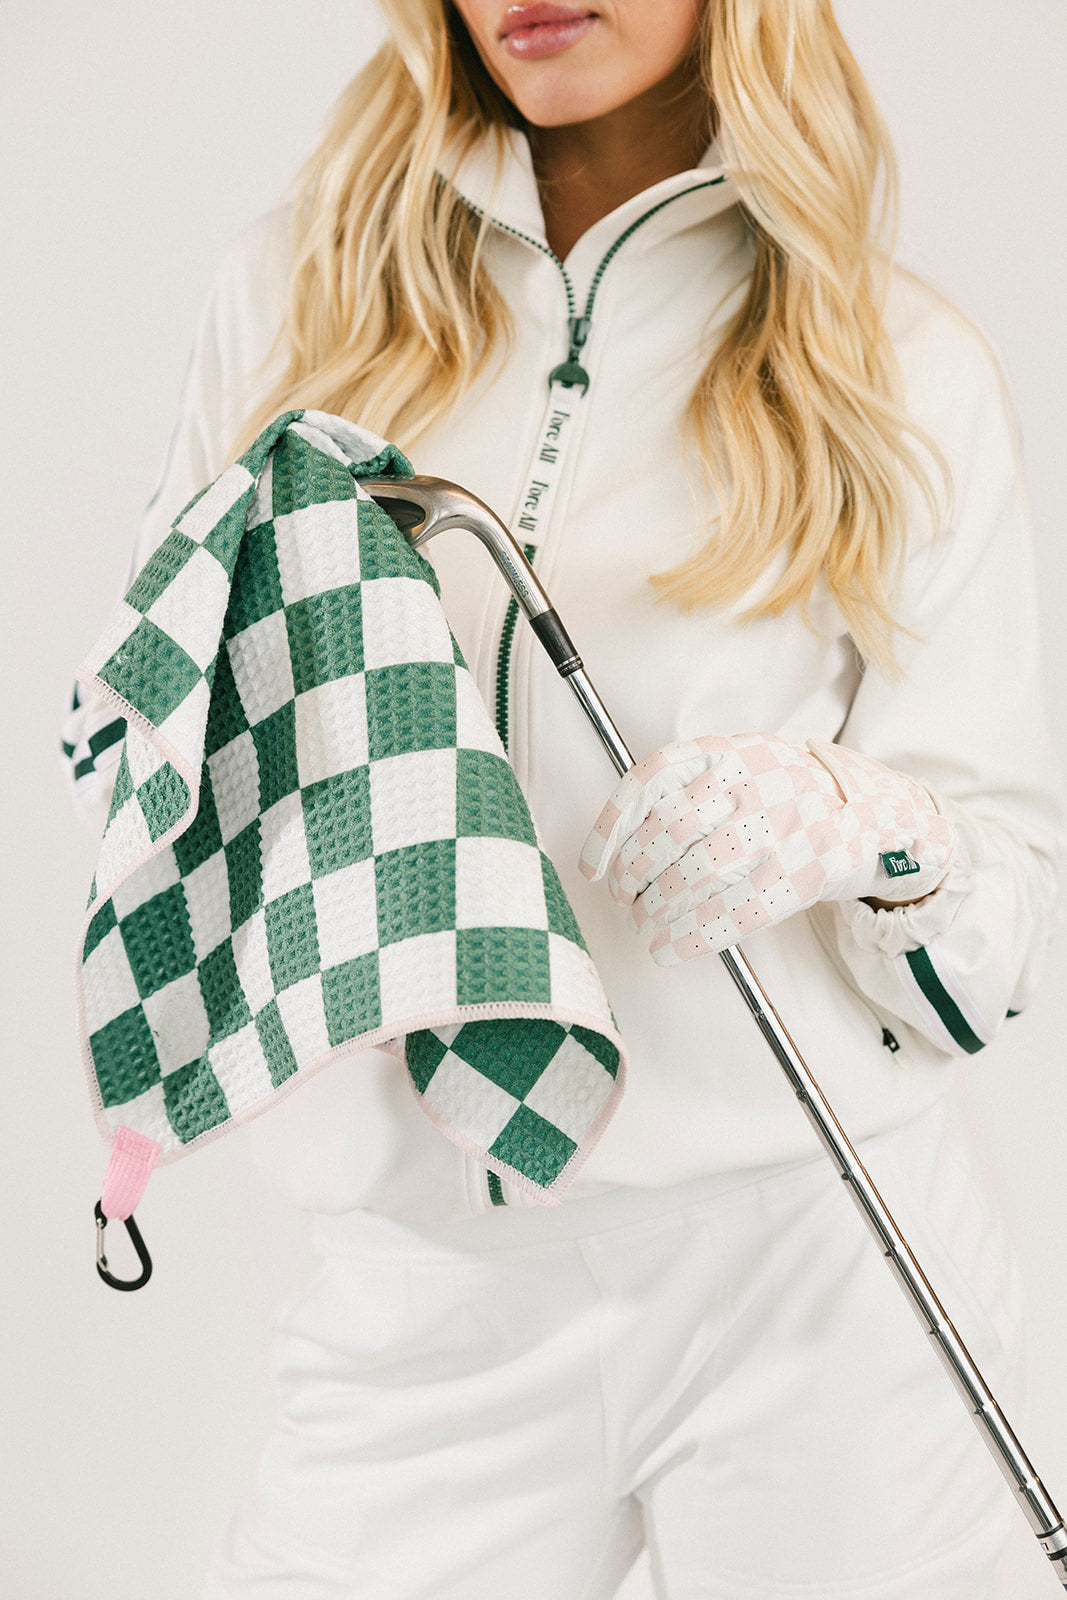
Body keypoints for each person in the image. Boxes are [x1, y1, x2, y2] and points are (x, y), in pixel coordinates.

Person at [68, 2, 1064, 1595]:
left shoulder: (894, 359)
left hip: (813, 1271)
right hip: (421, 1291)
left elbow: (995, 949)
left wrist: (868, 834)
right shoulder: (291, 300)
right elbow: (157, 767)